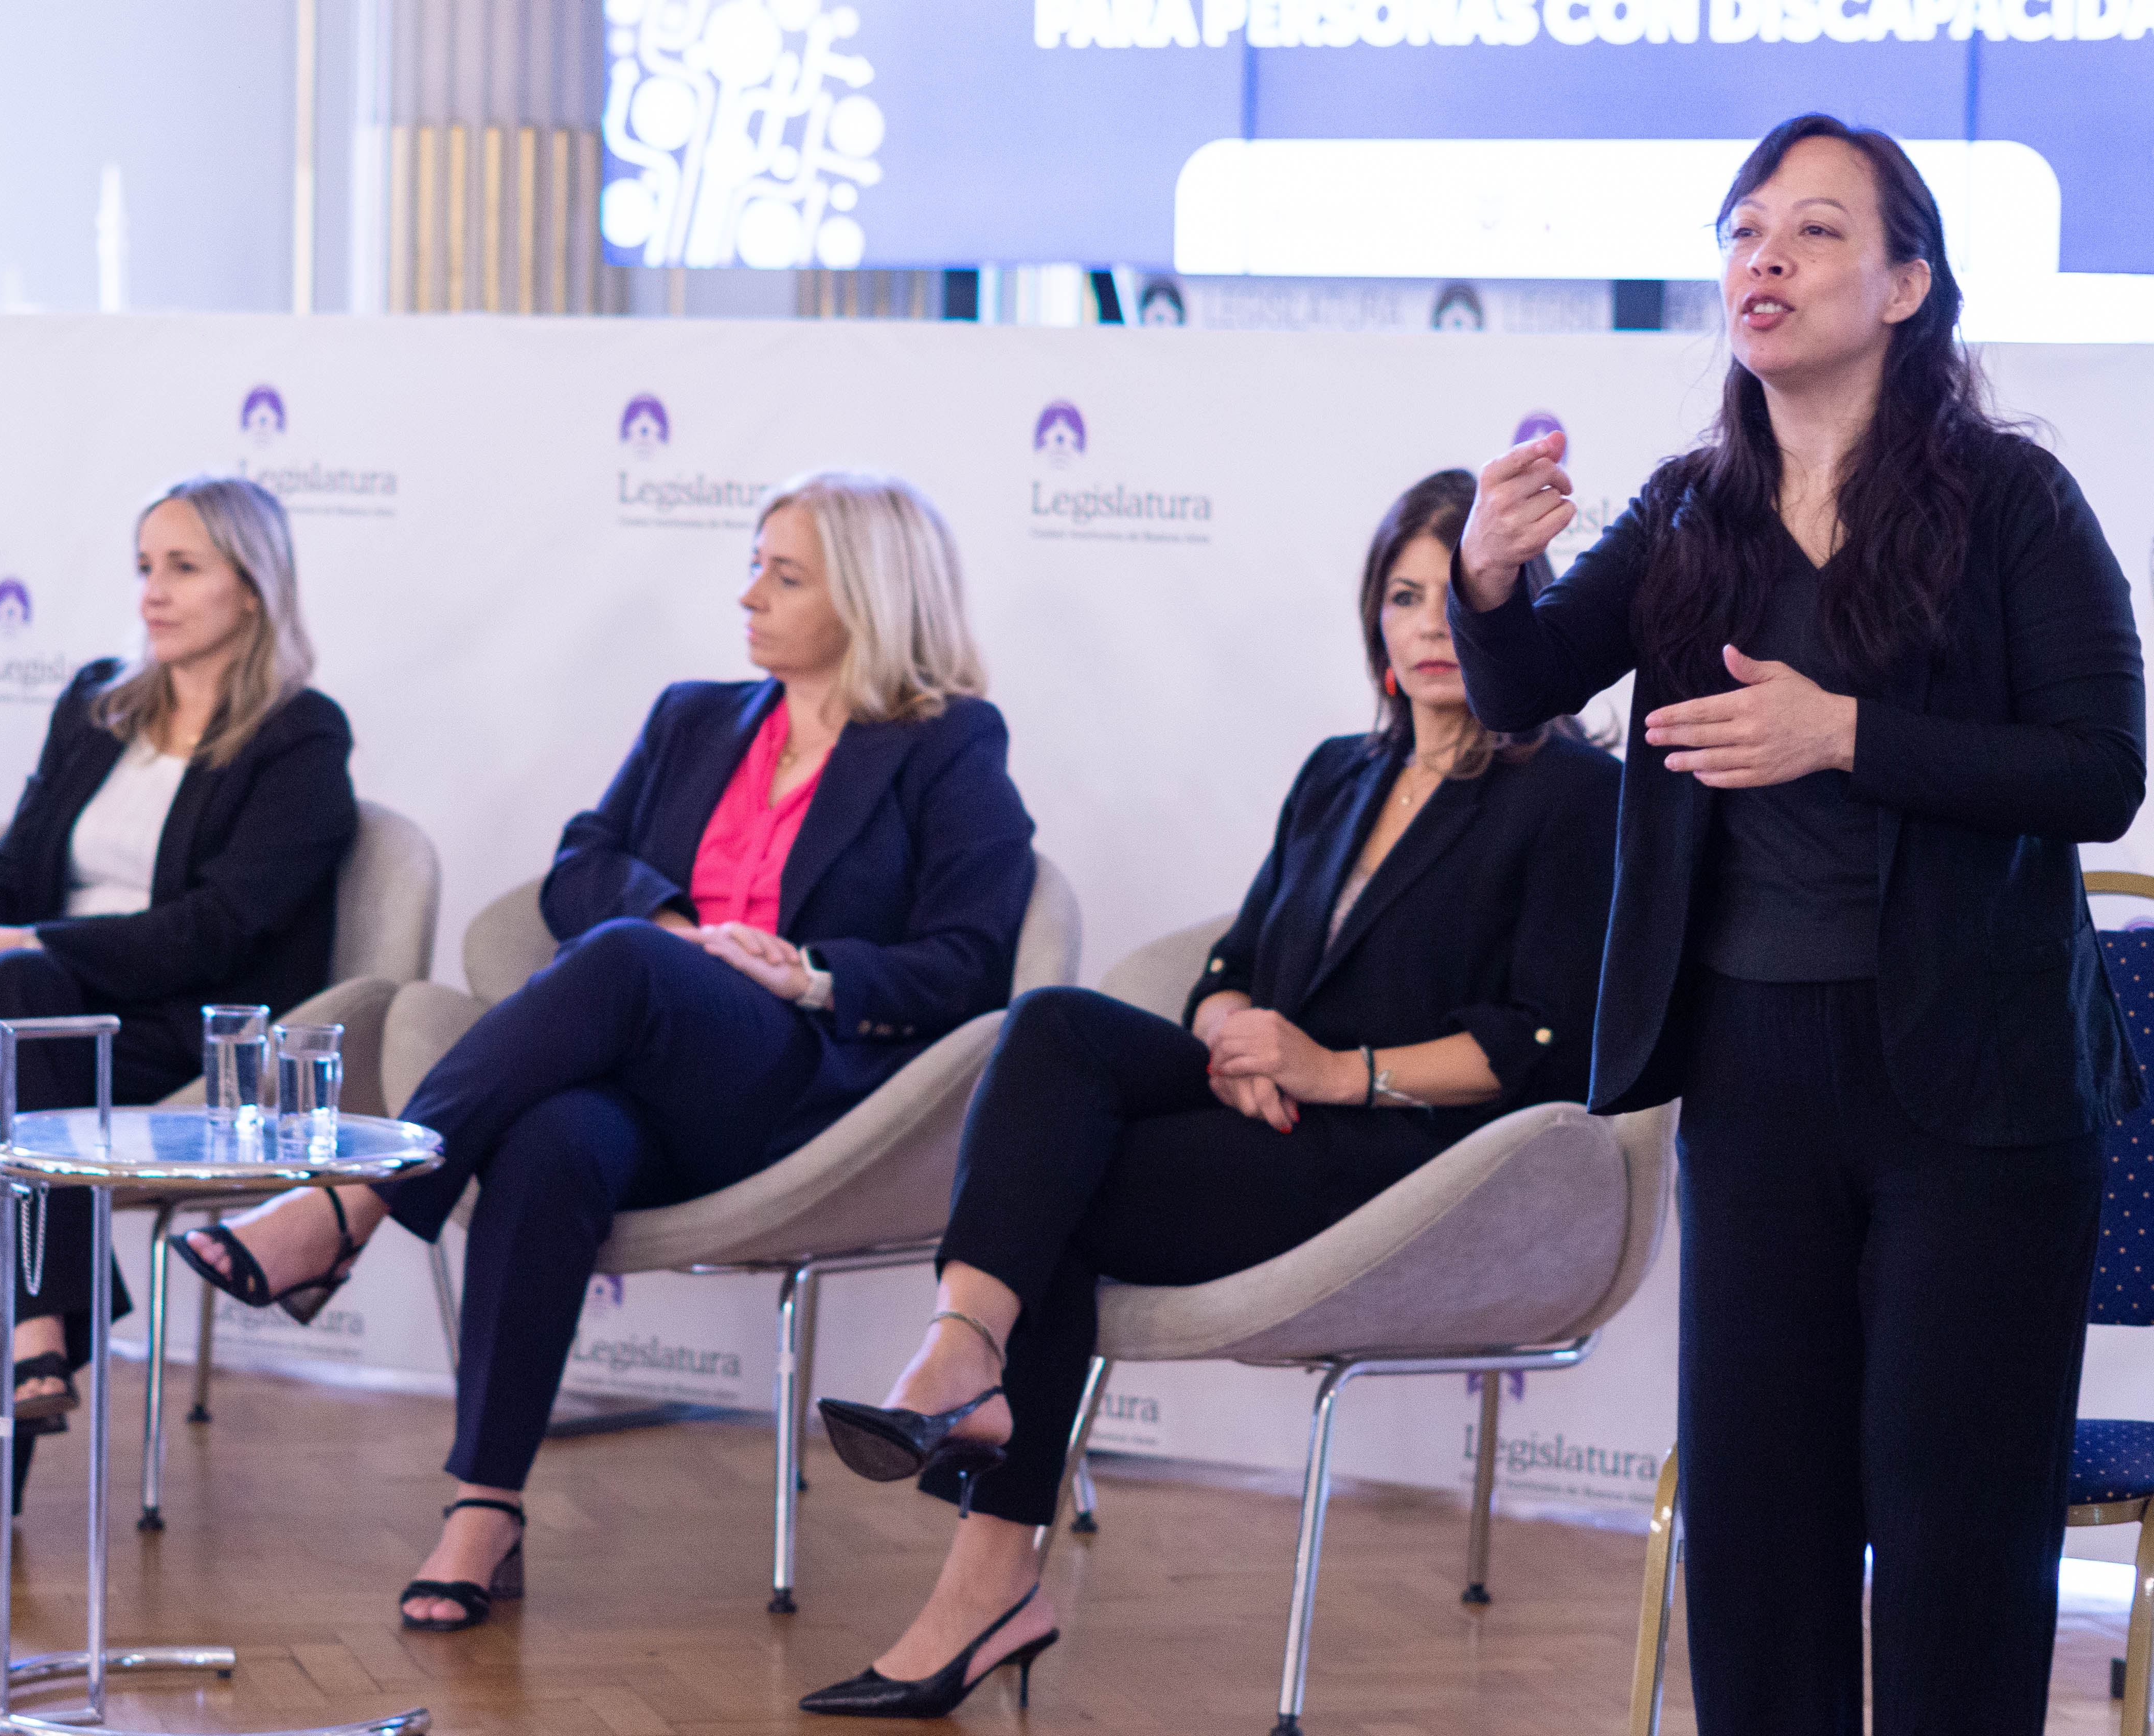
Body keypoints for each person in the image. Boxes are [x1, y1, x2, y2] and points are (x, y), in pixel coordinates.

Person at [1448, 115, 2144, 1732]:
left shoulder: (2013, 499)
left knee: (1960, 1536)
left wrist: (1845, 736)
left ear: (1909, 284)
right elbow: (1527, 684)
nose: (1764, 257)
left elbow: (2100, 771)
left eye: (1816, 232)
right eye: (1747, 228)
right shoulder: (1693, 509)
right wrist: (1490, 577)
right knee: (1758, 1532)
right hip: (1754, 1074)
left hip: (1976, 1085)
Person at [801, 467, 1619, 1716]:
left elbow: (1550, 1041)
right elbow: (1237, 962)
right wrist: (1234, 1027)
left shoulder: (1569, 794)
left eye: (1456, 593)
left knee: (1058, 1194)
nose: (1428, 621)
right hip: (1269, 1104)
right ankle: (964, 1370)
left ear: (1511, 607)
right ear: (1376, 625)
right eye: (1404, 594)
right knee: (1055, 1027)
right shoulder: (1337, 773)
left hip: (1414, 1157)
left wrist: (1334, 1070)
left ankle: (983, 1540)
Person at [173, 471, 1037, 1632]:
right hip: (646, 1074)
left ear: (873, 597)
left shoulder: (947, 744)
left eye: (784, 576)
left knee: (627, 958)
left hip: (805, 1091)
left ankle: (354, 1198)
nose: (748, 595)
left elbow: (974, 960)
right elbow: (580, 865)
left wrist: (810, 970)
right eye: (753, 563)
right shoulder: (696, 716)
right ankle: (484, 1502)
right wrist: (678, 932)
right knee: (550, 1136)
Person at [0, 475, 355, 1544]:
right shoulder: (99, 702)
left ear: (252, 588)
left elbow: (221, 929)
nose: (153, 591)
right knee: (3, 1017)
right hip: (33, 1014)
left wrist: (7, 947)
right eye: (146, 565)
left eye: (185, 566)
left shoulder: (299, 735)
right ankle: (31, 1336)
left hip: (181, 1032)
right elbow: (12, 868)